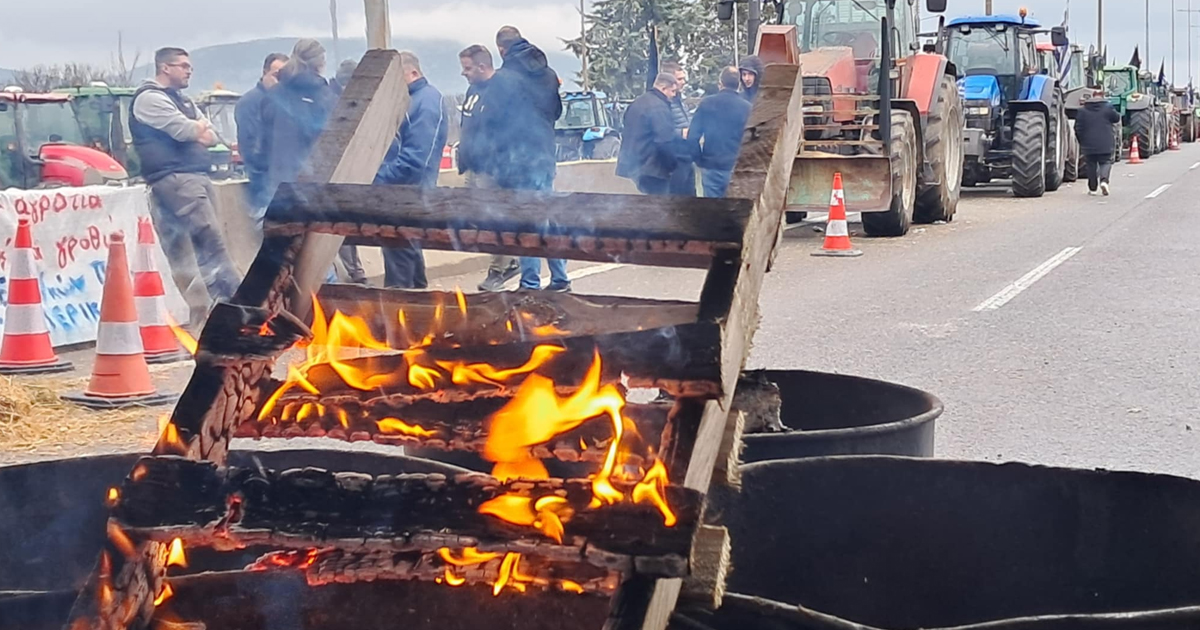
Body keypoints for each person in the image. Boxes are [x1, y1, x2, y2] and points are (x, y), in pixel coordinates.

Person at [130, 47, 241, 306]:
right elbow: (184, 131)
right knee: (209, 239)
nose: (189, 70)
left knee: (208, 241)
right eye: (182, 65)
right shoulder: (149, 98)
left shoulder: (184, 100)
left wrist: (198, 129)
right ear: (165, 68)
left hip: (195, 177)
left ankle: (217, 305)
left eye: (189, 66)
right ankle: (232, 303)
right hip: (177, 179)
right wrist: (195, 129)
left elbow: (211, 136)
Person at [478, 26, 570, 292]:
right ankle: (560, 278)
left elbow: (493, 121)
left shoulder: (503, 78)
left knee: (526, 219)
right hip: (543, 154)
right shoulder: (549, 74)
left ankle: (530, 281)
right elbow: (555, 111)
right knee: (546, 215)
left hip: (516, 160)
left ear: (501, 49)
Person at [375, 51, 449, 289]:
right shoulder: (411, 100)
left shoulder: (425, 102)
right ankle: (420, 313)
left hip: (408, 197)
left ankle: (401, 317)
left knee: (399, 270)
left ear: (413, 73)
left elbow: (416, 160)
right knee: (408, 259)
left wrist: (376, 179)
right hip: (403, 195)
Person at [458, 44, 520, 292]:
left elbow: (509, 131)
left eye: (467, 68)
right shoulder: (472, 90)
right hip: (472, 166)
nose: (464, 73)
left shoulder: (501, 91)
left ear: (482, 67)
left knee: (494, 219)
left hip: (492, 168)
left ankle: (499, 269)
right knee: (473, 217)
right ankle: (510, 258)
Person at [234, 52, 288, 231]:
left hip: (284, 183)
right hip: (263, 183)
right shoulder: (249, 103)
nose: (280, 80)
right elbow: (249, 147)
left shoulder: (285, 101)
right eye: (276, 74)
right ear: (264, 73)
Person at [328, 58, 369, 284]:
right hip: (331, 176)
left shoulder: (344, 97)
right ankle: (349, 275)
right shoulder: (332, 99)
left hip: (345, 175)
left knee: (345, 229)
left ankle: (356, 272)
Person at [689, 66, 752, 198]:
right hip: (736, 167)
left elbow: (692, 136)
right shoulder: (747, 108)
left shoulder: (706, 104)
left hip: (711, 166)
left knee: (713, 211)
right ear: (738, 85)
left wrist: (699, 160)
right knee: (736, 209)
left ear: (720, 83)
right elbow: (752, 138)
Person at [616, 72, 682, 196]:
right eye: (673, 91)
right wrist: (673, 165)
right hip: (652, 168)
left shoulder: (637, 102)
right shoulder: (659, 107)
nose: (674, 95)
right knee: (658, 208)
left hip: (635, 165)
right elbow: (664, 141)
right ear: (663, 88)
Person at [1075, 89, 1121, 196]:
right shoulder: (1108, 108)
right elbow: (1116, 118)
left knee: (1091, 164)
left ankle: (1092, 188)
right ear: (1102, 96)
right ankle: (1104, 181)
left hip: (1088, 143)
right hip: (1105, 142)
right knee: (1105, 162)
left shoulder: (1082, 110)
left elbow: (1078, 128)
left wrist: (1082, 140)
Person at [661, 61, 696, 196]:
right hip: (675, 162)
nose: (684, 82)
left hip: (687, 158)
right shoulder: (663, 104)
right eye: (680, 79)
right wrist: (681, 133)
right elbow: (660, 131)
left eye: (684, 78)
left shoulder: (680, 101)